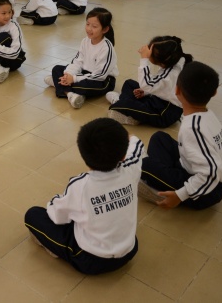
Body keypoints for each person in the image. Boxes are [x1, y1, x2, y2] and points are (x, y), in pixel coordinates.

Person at [25, 118, 142, 275]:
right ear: (123, 156)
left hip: (91, 261)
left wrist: (55, 201)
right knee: (81, 213)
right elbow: (137, 146)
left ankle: (55, 248)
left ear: (85, 158)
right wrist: (126, 137)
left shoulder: (80, 185)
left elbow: (56, 216)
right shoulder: (131, 168)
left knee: (33, 215)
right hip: (130, 249)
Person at [140, 61, 222, 210]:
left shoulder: (193, 128)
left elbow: (212, 173)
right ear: (214, 93)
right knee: (159, 138)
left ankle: (160, 190)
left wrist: (181, 195)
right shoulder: (206, 114)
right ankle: (157, 177)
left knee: (143, 165)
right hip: (193, 169)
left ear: (177, 90)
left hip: (206, 191)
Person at [107, 36, 193, 127]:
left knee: (118, 106)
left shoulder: (170, 74)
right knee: (129, 83)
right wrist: (146, 92)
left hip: (163, 113)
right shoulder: (177, 59)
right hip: (158, 99)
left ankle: (120, 102)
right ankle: (135, 110)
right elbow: (163, 87)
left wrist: (144, 59)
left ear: (162, 63)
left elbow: (147, 84)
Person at [45, 8, 118, 109]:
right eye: (87, 24)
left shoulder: (107, 48)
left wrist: (74, 79)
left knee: (81, 86)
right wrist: (69, 74)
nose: (89, 29)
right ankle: (70, 95)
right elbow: (77, 62)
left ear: (105, 29)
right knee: (57, 69)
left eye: (94, 26)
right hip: (84, 73)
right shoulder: (85, 41)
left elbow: (100, 75)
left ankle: (58, 84)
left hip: (103, 80)